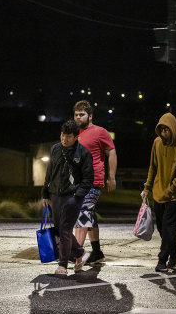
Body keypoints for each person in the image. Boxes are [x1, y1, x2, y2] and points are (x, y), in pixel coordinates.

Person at [42, 119, 94, 275]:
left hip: (72, 197)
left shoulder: (83, 153)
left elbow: (88, 178)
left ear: (76, 137)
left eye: (68, 136)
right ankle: (80, 253)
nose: (64, 139)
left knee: (65, 228)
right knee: (59, 229)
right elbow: (50, 172)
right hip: (56, 195)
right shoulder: (55, 149)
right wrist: (46, 192)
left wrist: (78, 195)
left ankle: (62, 265)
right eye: (62, 135)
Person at [141, 113, 176, 272]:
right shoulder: (157, 143)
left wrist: (173, 187)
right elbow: (152, 167)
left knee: (169, 227)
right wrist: (147, 187)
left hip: (174, 195)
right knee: (163, 229)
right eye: (161, 130)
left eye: (166, 130)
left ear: (173, 129)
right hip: (158, 192)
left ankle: (162, 259)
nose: (163, 133)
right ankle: (175, 251)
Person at [73, 100, 117, 264]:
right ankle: (97, 252)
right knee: (89, 216)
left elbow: (111, 152)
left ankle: (77, 253)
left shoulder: (100, 132)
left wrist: (111, 177)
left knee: (83, 214)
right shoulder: (75, 133)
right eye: (76, 115)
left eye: (82, 115)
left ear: (90, 116)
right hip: (78, 183)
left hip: (93, 181)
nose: (78, 117)